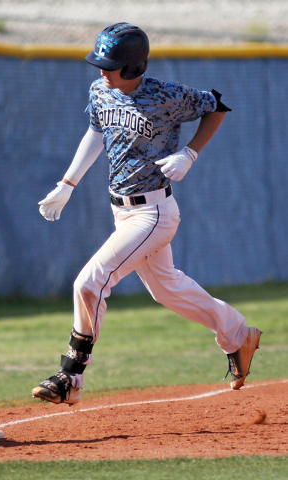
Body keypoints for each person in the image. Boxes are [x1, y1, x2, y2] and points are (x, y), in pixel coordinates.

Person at [32, 23, 261, 406]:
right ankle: (238, 334)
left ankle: (70, 375)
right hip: (121, 211)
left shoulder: (166, 96)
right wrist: (67, 184)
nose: (102, 70)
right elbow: (96, 132)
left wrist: (190, 153)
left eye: (111, 64)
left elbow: (216, 106)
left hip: (153, 212)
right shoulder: (100, 90)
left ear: (135, 67)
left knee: (90, 282)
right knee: (166, 288)